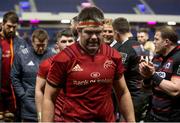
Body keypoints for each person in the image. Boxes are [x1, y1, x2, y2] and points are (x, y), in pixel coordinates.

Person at [42, 6, 135, 122]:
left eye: (98, 32)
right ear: (79, 30)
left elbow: (122, 92)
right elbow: (49, 97)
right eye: (89, 32)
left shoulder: (114, 55)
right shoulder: (63, 58)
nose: (94, 37)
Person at [10, 29, 55, 122]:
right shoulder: (21, 55)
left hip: (48, 103)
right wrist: (23, 95)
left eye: (43, 45)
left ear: (47, 42)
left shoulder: (54, 56)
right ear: (32, 42)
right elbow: (14, 77)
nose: (41, 48)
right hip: (28, 105)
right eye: (38, 45)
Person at [112, 17, 150, 122]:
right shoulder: (139, 45)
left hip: (131, 96)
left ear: (116, 32)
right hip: (141, 93)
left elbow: (118, 72)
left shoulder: (125, 48)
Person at [139, 26, 180, 122]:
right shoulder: (157, 58)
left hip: (171, 118)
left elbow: (176, 91)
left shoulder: (178, 58)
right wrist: (146, 77)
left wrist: (153, 75)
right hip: (153, 115)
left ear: (166, 42)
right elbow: (145, 90)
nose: (153, 42)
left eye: (156, 39)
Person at [35, 29, 75, 121]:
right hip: (55, 117)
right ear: (57, 45)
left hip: (78, 116)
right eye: (64, 41)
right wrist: (41, 116)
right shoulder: (47, 64)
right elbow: (38, 90)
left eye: (70, 41)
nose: (67, 44)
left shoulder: (84, 63)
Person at [0, 11, 27, 121]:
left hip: (14, 92)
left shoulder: (22, 43)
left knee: (13, 118)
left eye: (14, 27)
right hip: (0, 90)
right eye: (9, 26)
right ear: (2, 24)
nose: (11, 30)